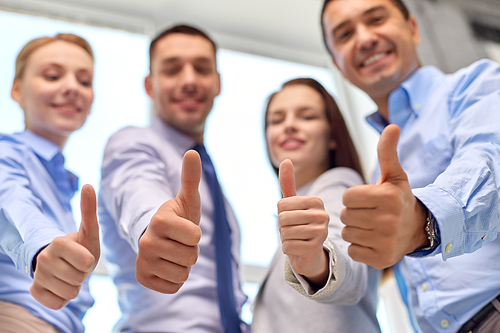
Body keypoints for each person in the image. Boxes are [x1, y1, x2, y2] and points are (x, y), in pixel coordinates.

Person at [320, 0, 500, 332]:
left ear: (413, 28)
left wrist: (422, 221)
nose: (364, 39)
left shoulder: (476, 84)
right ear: (339, 65)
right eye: (345, 34)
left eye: (376, 19)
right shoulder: (378, 176)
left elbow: (490, 160)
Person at [98, 24, 248, 332]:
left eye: (202, 69)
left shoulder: (213, 185)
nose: (190, 80)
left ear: (217, 83)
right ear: (150, 86)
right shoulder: (133, 143)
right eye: (172, 69)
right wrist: (151, 226)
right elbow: (136, 188)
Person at [251, 78, 380, 333]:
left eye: (307, 116)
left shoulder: (340, 185)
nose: (289, 125)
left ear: (333, 136)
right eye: (276, 120)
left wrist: (317, 262)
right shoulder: (294, 219)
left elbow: (347, 268)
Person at [0, 34, 100, 333]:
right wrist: (44, 246)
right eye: (53, 75)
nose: (71, 88)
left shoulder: (62, 183)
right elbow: (10, 200)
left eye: (84, 81)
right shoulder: (6, 153)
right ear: (17, 89)